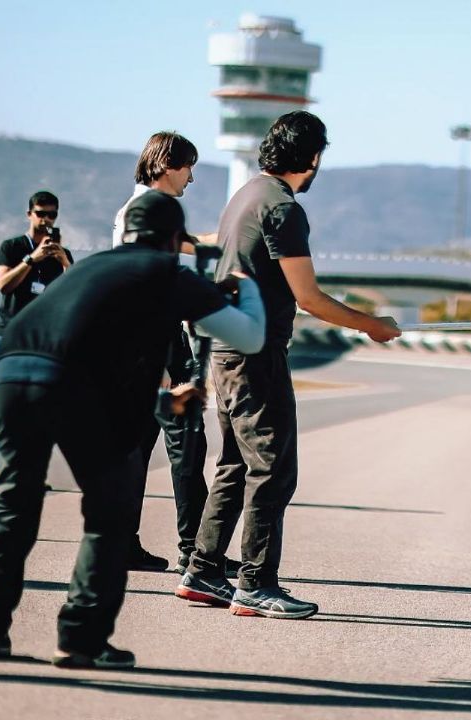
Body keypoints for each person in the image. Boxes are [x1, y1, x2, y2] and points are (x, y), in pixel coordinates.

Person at [0, 191, 266, 669]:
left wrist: (158, 398)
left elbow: (90, 350)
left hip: (11, 370)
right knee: (108, 511)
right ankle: (81, 638)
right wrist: (245, 285)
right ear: (174, 238)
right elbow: (249, 335)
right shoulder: (168, 272)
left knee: (14, 500)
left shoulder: (90, 266)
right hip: (66, 377)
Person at [176, 110, 401, 619]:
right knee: (273, 469)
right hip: (256, 355)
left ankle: (203, 571)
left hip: (227, 349)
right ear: (314, 157)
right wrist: (371, 323)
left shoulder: (246, 194)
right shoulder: (282, 207)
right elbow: (310, 298)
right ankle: (255, 584)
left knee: (236, 464)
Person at [111, 131, 236, 576]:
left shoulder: (141, 209)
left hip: (145, 340)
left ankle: (125, 543)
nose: (192, 177)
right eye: (188, 167)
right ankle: (196, 550)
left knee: (140, 448)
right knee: (187, 444)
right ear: (168, 165)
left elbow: (192, 243)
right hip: (155, 339)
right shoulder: (145, 213)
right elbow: (139, 286)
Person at [0, 191, 73, 485]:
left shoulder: (60, 254)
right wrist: (30, 260)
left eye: (52, 215)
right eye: (41, 213)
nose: (46, 220)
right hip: (9, 338)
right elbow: (3, 284)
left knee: (38, 410)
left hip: (43, 343)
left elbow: (77, 292)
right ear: (29, 214)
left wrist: (63, 262)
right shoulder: (12, 247)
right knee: (1, 406)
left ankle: (29, 470)